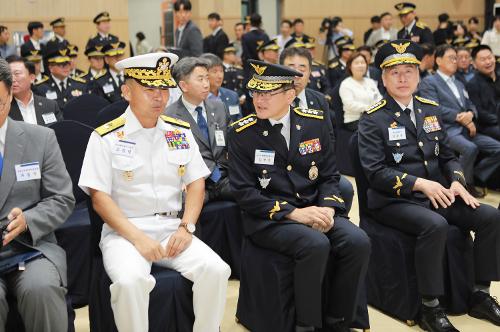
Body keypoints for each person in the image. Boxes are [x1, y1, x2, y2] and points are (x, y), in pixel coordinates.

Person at [79, 52, 230, 332]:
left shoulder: (179, 132)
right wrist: (138, 238)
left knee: (217, 270)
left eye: (163, 89)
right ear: (126, 91)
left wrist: (187, 227)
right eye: (149, 89)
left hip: (173, 228)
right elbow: (99, 198)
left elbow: (197, 182)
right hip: (125, 233)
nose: (159, 96)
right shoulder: (106, 137)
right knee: (130, 282)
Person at [358, 39, 500, 332]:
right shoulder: (372, 119)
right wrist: (420, 184)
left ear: (418, 75)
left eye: (409, 71)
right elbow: (375, 172)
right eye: (394, 72)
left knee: (490, 217)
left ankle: (480, 294)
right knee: (435, 225)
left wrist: (458, 182)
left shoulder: (429, 109)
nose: (402, 78)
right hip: (393, 200)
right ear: (383, 78)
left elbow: (448, 156)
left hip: (436, 194)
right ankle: (430, 308)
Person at [228, 59, 370, 332]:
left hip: (314, 208)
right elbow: (244, 192)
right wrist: (293, 213)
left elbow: (330, 176)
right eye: (257, 92)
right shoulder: (242, 133)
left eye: (268, 93)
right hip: (270, 218)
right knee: (315, 244)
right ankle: (306, 325)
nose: (259, 99)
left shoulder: (314, 123)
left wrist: (328, 208)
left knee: (358, 241)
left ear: (290, 95)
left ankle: (338, 320)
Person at [0, 57, 75, 332]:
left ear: (10, 95)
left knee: (41, 290)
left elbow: (62, 198)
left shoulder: (40, 138)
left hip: (31, 247)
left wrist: (29, 219)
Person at [280, 46, 355, 214]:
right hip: (284, 171)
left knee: (345, 188)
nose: (297, 74)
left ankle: (334, 225)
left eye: (302, 68)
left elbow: (329, 139)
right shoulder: (273, 99)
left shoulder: (319, 100)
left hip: (317, 168)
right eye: (291, 68)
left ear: (310, 73)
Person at [419, 45, 500, 197]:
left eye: (456, 58)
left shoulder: (459, 83)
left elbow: (471, 105)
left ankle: (475, 175)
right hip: (447, 129)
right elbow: (433, 107)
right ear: (438, 60)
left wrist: (470, 113)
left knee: (498, 148)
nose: (455, 61)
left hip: (467, 128)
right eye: (451, 58)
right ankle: (462, 184)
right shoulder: (429, 82)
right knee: (469, 148)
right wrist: (459, 117)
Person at [166, 57, 232, 203]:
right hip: (194, 182)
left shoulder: (219, 107)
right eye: (200, 79)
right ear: (184, 85)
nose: (206, 84)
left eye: (207, 78)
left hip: (224, 177)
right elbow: (174, 157)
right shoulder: (170, 117)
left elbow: (233, 143)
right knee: (182, 203)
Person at [6, 55, 62, 126]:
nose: (12, 79)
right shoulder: (4, 108)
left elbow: (60, 133)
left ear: (32, 78)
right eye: (8, 75)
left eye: (17, 74)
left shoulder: (50, 106)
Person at [33, 44, 89, 110]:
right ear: (50, 67)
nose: (66, 67)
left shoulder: (80, 85)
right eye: (61, 64)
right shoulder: (40, 88)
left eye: (68, 63)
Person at [339, 52, 382, 132]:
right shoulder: (346, 84)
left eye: (363, 63)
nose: (360, 65)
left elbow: (379, 98)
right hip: (354, 120)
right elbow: (350, 105)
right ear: (350, 66)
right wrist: (370, 108)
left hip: (373, 118)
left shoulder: (370, 82)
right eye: (357, 63)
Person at [467, 45, 500, 141]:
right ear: (474, 64)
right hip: (488, 126)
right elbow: (478, 112)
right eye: (483, 59)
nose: (488, 62)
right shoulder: (472, 84)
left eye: (490, 57)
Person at [201, 53, 242, 122]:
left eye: (221, 71)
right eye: (215, 71)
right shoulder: (197, 97)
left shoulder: (232, 96)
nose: (220, 76)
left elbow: (238, 121)